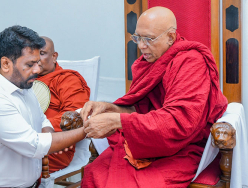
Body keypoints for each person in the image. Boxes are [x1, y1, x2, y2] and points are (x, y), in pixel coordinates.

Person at [80, 7, 228, 187]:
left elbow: (179, 123)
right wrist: (109, 108)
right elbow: (142, 108)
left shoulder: (191, 62)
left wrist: (118, 121)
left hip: (182, 147)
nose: (141, 45)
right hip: (146, 139)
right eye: (137, 38)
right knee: (95, 173)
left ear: (171, 37)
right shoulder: (150, 62)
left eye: (149, 39)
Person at [0, 25, 86, 188]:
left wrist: (48, 133)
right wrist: (86, 130)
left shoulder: (23, 86)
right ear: (5, 64)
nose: (38, 69)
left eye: (38, 62)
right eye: (30, 64)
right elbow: (35, 145)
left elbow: (42, 118)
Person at [37, 36, 90, 173]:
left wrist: (37, 129)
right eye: (31, 54)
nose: (35, 59)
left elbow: (75, 113)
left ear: (54, 57)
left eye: (42, 53)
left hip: (55, 146)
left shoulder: (67, 79)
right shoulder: (25, 80)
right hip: (21, 138)